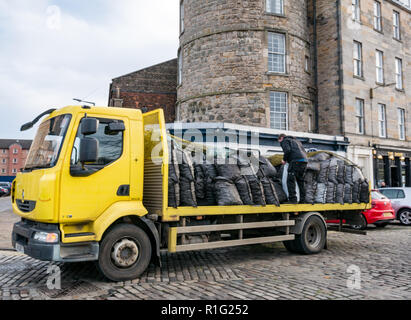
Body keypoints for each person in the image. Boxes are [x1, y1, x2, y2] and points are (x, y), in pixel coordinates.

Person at [278, 134, 308, 204]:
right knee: (301, 181)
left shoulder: (285, 140)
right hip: (304, 161)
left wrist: (284, 160)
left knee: (290, 180)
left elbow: (287, 150)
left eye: (279, 141)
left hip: (295, 161)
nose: (280, 143)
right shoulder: (297, 141)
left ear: (281, 138)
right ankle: (303, 200)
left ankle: (293, 199)